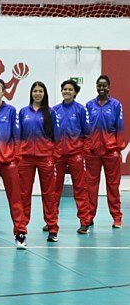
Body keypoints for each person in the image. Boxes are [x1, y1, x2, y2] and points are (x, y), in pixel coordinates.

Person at [0, 78, 28, 248]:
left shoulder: (11, 111)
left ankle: (20, 233)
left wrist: (15, 158)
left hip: (8, 161)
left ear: (3, 92)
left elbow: (17, 136)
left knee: (15, 199)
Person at [18, 81, 60, 242]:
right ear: (31, 93)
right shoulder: (23, 112)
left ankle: (52, 227)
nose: (37, 94)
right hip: (26, 159)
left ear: (44, 94)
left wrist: (53, 155)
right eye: (35, 91)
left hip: (46, 158)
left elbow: (57, 136)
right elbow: (18, 135)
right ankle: (21, 229)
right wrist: (19, 154)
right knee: (24, 194)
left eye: (40, 91)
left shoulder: (51, 113)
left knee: (49, 194)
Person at [85, 75, 125, 228]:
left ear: (109, 87)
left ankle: (116, 217)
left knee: (113, 186)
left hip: (111, 152)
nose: (101, 89)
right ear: (96, 87)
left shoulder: (116, 105)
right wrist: (88, 147)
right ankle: (89, 216)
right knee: (91, 186)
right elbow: (86, 129)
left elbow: (120, 126)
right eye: (99, 86)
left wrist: (117, 147)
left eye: (104, 86)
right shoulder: (89, 105)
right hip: (93, 153)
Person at [53, 79, 92, 234]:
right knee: (54, 190)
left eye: (70, 89)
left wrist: (82, 153)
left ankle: (84, 222)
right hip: (58, 157)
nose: (67, 91)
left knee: (80, 189)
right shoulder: (54, 110)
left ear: (75, 92)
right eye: (64, 89)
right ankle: (51, 221)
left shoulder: (81, 110)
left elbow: (88, 134)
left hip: (76, 156)